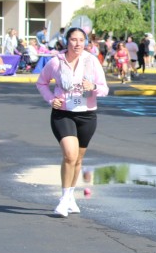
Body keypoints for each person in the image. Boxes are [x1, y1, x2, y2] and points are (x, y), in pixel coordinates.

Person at [36, 27, 109, 217]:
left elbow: (104, 89)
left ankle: (70, 197)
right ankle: (63, 199)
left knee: (78, 159)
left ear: (86, 42)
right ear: (66, 41)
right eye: (74, 40)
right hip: (63, 113)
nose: (77, 44)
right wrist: (51, 99)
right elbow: (41, 82)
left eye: (81, 40)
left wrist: (93, 86)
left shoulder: (91, 61)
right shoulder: (56, 62)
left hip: (87, 115)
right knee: (70, 155)